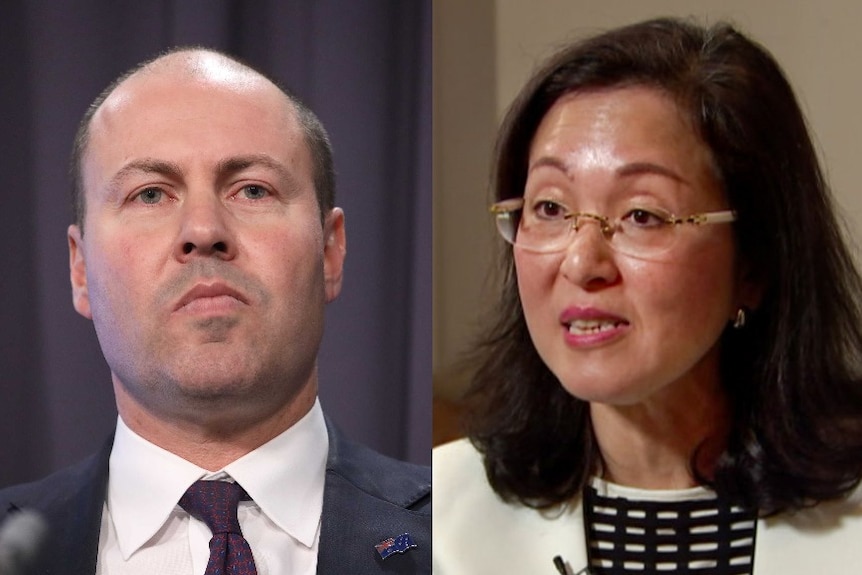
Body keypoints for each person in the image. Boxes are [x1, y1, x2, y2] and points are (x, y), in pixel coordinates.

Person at [433, 17, 862, 574]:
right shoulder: (434, 521)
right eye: (550, 208)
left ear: (754, 263)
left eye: (642, 214)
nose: (582, 263)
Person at [0, 48, 430, 574]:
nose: (203, 231)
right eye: (151, 194)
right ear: (81, 269)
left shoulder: (457, 541)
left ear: (329, 253)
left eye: (252, 189)